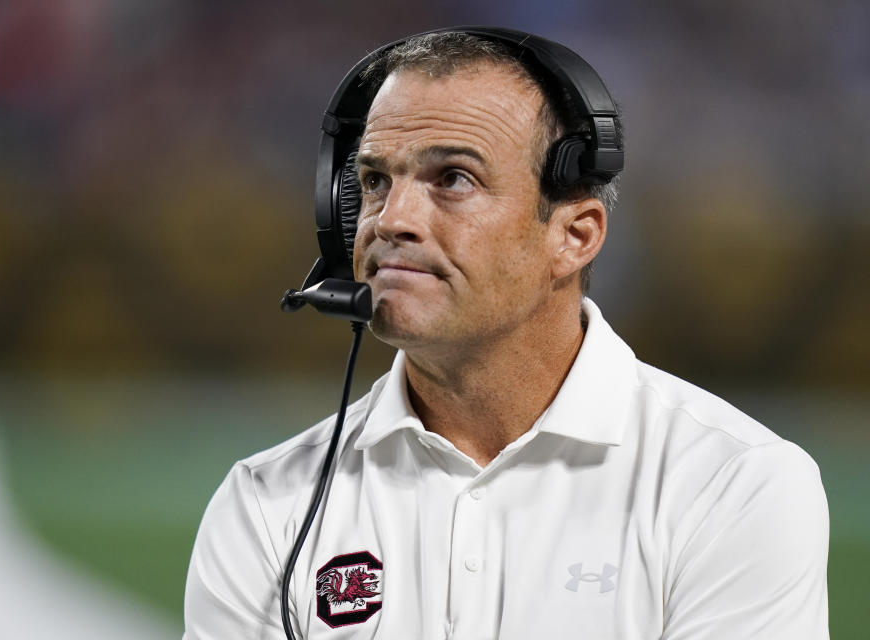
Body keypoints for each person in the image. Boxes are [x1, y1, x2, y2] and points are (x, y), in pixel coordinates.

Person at [183, 30, 829, 639]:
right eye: (375, 181)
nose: (391, 219)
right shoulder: (267, 506)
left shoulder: (736, 488)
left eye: (453, 179)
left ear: (574, 236)